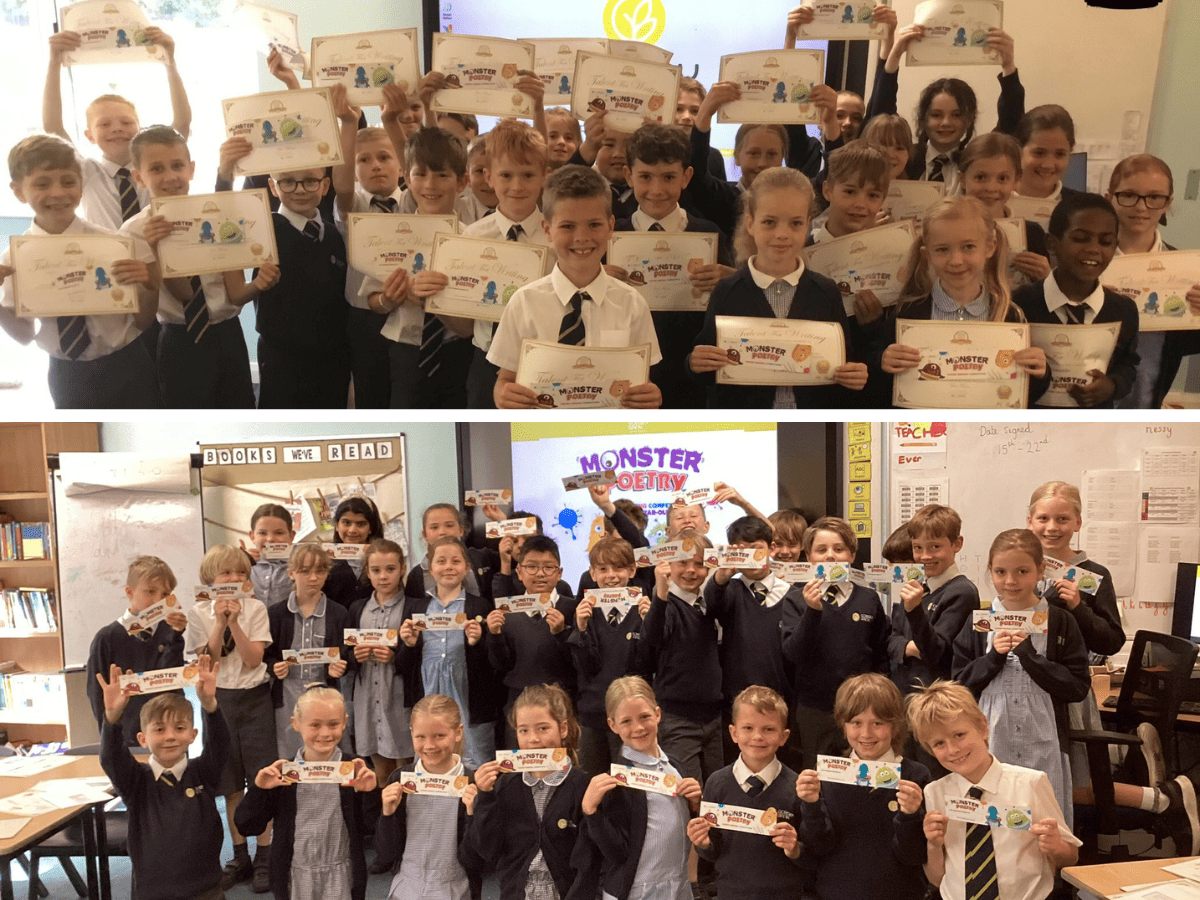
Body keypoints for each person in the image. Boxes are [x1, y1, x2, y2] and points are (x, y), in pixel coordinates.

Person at [0, 134, 159, 408]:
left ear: (82, 185)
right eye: (42, 184)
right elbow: (24, 336)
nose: (58, 193)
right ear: (18, 191)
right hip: (67, 373)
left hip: (127, 362)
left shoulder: (114, 245)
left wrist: (149, 285)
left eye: (68, 182)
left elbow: (143, 322)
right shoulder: (14, 259)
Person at [689, 167, 869, 408]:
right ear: (750, 224)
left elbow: (843, 362)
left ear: (808, 224)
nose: (782, 234)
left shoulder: (826, 292)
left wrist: (854, 375)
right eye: (769, 222)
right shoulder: (727, 291)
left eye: (795, 223)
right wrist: (694, 363)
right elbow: (707, 368)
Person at [488, 164, 663, 409]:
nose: (581, 237)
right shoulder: (523, 302)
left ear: (611, 226)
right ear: (547, 229)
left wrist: (649, 396)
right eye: (568, 226)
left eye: (594, 225)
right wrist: (503, 396)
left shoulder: (632, 304)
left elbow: (643, 381)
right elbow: (505, 380)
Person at [951, 528, 1090, 826]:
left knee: (1043, 820)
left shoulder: (1061, 621)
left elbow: (1077, 687)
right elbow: (959, 684)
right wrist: (992, 658)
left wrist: (1030, 657)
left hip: (1043, 739)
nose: (1011, 581)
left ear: (1040, 571)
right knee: (993, 819)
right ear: (990, 570)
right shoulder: (979, 622)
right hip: (991, 738)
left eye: (1022, 571)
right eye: (1001, 572)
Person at [122, 126, 266, 407]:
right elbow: (182, 295)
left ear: (191, 169)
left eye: (177, 166)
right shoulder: (134, 233)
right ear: (139, 177)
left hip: (227, 332)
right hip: (179, 339)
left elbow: (235, 286)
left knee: (240, 404)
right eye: (157, 169)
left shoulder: (217, 214)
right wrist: (159, 251)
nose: (170, 177)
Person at [421, 119, 550, 409]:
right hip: (485, 362)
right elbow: (465, 328)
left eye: (528, 175)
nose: (517, 185)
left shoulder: (556, 239)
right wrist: (437, 298)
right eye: (506, 175)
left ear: (544, 176)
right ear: (489, 177)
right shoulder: (471, 238)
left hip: (544, 364)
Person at [910, 681, 1080, 900]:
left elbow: (1071, 857)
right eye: (939, 744)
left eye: (959, 735)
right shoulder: (935, 792)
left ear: (983, 727)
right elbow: (936, 879)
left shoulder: (1030, 783)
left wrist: (1055, 846)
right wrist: (934, 845)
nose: (953, 749)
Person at [876, 196, 1049, 405]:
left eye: (968, 247)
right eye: (942, 249)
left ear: (990, 247)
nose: (956, 260)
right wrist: (882, 364)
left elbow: (1021, 395)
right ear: (927, 254)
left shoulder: (1011, 316)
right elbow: (882, 393)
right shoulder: (906, 314)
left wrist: (1039, 372)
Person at [613, 123, 734, 408]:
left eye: (668, 177)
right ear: (629, 176)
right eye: (645, 176)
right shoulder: (612, 236)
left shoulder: (709, 234)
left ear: (686, 176)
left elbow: (731, 309)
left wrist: (729, 280)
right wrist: (596, 278)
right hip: (629, 371)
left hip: (691, 373)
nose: (657, 190)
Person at [361, 125, 473, 408]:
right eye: (420, 174)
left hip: (457, 352)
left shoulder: (472, 241)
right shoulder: (389, 236)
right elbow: (373, 300)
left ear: (462, 182)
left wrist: (434, 303)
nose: (430, 185)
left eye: (442, 175)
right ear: (408, 179)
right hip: (405, 351)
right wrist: (389, 298)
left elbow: (469, 328)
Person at [97, 654, 225, 900]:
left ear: (192, 735)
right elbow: (111, 758)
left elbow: (220, 744)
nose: (170, 736)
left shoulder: (203, 772)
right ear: (143, 739)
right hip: (153, 893)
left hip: (205, 891)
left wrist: (210, 705)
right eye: (159, 729)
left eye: (179, 728)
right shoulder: (136, 782)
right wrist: (112, 717)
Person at [187, 544, 275, 892]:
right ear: (210, 579)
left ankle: (265, 855)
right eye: (226, 573)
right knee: (230, 782)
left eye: (241, 573)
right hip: (219, 700)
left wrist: (235, 622)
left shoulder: (255, 608)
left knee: (261, 777)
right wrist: (218, 622)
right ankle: (240, 856)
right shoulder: (198, 611)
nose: (234, 578)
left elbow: (253, 660)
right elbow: (207, 661)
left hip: (255, 700)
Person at [235, 686, 378, 900]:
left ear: (344, 722)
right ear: (296, 724)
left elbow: (372, 827)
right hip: (295, 877)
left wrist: (371, 793)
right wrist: (259, 791)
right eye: (315, 725)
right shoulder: (282, 773)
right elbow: (247, 825)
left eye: (333, 724)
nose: (325, 733)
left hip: (341, 876)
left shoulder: (355, 771)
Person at [795, 675, 929, 900]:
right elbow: (818, 847)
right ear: (843, 725)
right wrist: (810, 805)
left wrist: (911, 816)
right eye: (856, 723)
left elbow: (914, 856)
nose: (866, 734)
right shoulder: (827, 776)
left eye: (878, 723)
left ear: (895, 725)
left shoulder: (914, 777)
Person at [43, 26, 190, 230]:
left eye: (126, 122)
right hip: (104, 250)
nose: (117, 129)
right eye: (104, 124)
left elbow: (182, 123)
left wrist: (169, 62)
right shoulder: (86, 172)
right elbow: (53, 129)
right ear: (90, 136)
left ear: (139, 129)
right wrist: (54, 62)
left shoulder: (154, 168)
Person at [461, 684, 591, 900]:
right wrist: (484, 798)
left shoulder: (581, 786)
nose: (533, 739)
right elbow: (485, 851)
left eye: (543, 728)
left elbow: (590, 860)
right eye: (524, 730)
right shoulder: (505, 786)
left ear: (563, 729)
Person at [578, 676, 703, 900]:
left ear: (658, 714)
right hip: (637, 891)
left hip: (679, 886)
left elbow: (689, 832)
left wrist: (695, 806)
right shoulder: (615, 782)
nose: (638, 727)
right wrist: (590, 812)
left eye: (645, 716)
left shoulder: (676, 767)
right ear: (612, 725)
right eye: (626, 721)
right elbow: (616, 853)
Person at [780, 517, 891, 768]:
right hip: (814, 710)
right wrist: (812, 610)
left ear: (852, 555)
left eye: (839, 549)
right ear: (809, 557)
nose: (830, 555)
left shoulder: (869, 599)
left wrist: (877, 702)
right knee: (816, 774)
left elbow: (880, 655)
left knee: (863, 771)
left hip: (862, 710)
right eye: (821, 550)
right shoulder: (796, 598)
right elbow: (793, 654)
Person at [1013, 192, 1140, 408]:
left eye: (1106, 242)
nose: (1094, 249)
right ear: (1052, 244)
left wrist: (1112, 386)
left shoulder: (1123, 309)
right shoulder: (1020, 303)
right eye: (1081, 239)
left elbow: (1128, 364)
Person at [243, 160, 349, 408]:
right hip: (283, 360)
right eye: (288, 182)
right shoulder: (264, 232)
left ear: (325, 185)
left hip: (331, 360)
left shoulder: (334, 236)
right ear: (273, 186)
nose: (300, 189)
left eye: (310, 181)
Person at [871, 25, 1024, 193]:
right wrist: (895, 55)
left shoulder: (977, 160)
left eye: (956, 115)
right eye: (936, 115)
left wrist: (1008, 66)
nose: (946, 122)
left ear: (969, 119)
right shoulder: (905, 157)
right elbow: (881, 114)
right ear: (923, 118)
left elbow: (1011, 124)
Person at [687, 685, 804, 899]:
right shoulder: (716, 784)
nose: (757, 736)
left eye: (768, 729)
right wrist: (703, 843)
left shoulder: (797, 787)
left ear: (784, 736)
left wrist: (795, 848)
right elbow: (712, 851)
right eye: (748, 728)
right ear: (734, 733)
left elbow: (813, 853)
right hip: (731, 893)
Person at [332, 89, 409, 408]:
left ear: (400, 166)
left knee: (407, 391)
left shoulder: (413, 202)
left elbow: (415, 169)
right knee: (370, 392)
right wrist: (348, 123)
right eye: (363, 160)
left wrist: (392, 121)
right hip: (364, 317)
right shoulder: (354, 206)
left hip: (408, 310)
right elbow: (342, 186)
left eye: (384, 157)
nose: (375, 165)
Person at [1105, 155, 1200, 409]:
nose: (1141, 207)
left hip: (1146, 403)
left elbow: (1183, 343)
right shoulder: (1085, 262)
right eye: (1129, 195)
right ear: (1109, 198)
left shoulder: (1185, 269)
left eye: (1154, 197)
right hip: (1087, 407)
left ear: (1168, 203)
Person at [398, 536, 498, 770]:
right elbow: (403, 666)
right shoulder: (416, 608)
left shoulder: (480, 606)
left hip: (468, 696)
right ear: (431, 568)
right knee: (432, 759)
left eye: (456, 561)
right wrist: (409, 644)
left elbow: (492, 663)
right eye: (441, 561)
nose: (448, 567)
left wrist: (476, 642)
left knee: (476, 763)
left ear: (467, 567)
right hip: (428, 692)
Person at [704, 517, 795, 761]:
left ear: (771, 549)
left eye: (756, 549)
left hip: (782, 700)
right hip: (737, 701)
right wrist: (723, 574)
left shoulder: (792, 594)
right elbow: (713, 603)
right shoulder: (730, 590)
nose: (751, 557)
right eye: (743, 551)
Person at [376, 694, 482, 900]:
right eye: (421, 736)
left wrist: (473, 815)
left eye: (439, 736)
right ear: (411, 733)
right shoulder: (399, 779)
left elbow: (478, 859)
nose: (430, 745)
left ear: (458, 732)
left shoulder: (472, 783)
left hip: (455, 889)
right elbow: (386, 853)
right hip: (407, 888)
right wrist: (387, 814)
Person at [640, 529, 722, 785]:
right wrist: (661, 595)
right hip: (678, 719)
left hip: (713, 717)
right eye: (683, 562)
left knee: (714, 787)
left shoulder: (709, 604)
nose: (691, 570)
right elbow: (652, 640)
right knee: (687, 791)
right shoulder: (667, 605)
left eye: (699, 564)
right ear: (668, 564)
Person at [569, 536, 650, 775]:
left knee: (632, 782)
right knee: (594, 779)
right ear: (592, 574)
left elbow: (647, 663)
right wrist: (581, 628)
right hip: (593, 713)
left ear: (632, 570)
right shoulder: (585, 611)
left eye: (618, 568)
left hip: (633, 716)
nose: (611, 575)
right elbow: (585, 667)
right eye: (603, 569)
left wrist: (649, 625)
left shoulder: (643, 609)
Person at [86, 555, 187, 744]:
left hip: (166, 737)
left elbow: (171, 684)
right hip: (125, 739)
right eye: (150, 591)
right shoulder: (107, 638)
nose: (157, 600)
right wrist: (111, 738)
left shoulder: (169, 632)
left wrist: (175, 636)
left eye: (165, 594)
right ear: (130, 592)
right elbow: (98, 696)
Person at [264, 543, 349, 759]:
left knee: (326, 751)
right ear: (291, 573)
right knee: (289, 754)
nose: (313, 578)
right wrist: (274, 667)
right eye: (305, 571)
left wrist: (339, 667)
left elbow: (346, 653)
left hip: (325, 694)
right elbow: (266, 654)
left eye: (320, 571)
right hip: (287, 696)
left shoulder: (339, 613)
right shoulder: (276, 613)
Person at [488, 535, 578, 730]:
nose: (540, 574)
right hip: (519, 704)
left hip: (562, 703)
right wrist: (494, 635)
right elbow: (502, 665)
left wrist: (562, 633)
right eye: (532, 567)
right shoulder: (508, 611)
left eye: (548, 567)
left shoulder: (573, 609)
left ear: (559, 573)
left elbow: (579, 664)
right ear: (519, 572)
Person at [890, 504, 979, 698]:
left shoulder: (962, 592)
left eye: (935, 547)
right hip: (905, 694)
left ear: (957, 544)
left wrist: (914, 611)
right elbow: (892, 640)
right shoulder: (918, 587)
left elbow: (936, 653)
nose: (925, 556)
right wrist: (908, 647)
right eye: (918, 548)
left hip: (936, 700)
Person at [346, 538, 412, 791]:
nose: (383, 576)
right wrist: (355, 656)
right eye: (376, 570)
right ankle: (385, 812)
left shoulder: (413, 606)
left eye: (390, 569)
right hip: (367, 697)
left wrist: (396, 657)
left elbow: (418, 653)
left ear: (402, 569)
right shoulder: (357, 608)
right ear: (367, 572)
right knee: (380, 771)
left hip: (399, 695)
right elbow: (345, 653)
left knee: (406, 768)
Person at [956, 132, 1052, 289]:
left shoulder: (1032, 233)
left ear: (1015, 181)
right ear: (962, 179)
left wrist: (1047, 277)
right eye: (980, 177)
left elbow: (1043, 297)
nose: (991, 188)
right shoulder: (944, 229)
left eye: (1002, 179)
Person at [1013, 105, 1083, 205]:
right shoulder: (994, 204)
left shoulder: (1082, 208)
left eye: (1060, 154)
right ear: (1018, 150)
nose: (1048, 165)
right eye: (1039, 153)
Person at [325, 496, 383, 608]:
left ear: (370, 528)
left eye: (361, 524)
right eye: (346, 523)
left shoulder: (384, 559)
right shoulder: (325, 563)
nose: (352, 530)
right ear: (337, 526)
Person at [245, 503, 295, 609]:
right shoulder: (243, 564)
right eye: (262, 533)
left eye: (279, 533)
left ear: (291, 536)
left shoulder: (299, 564)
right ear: (252, 536)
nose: (270, 539)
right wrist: (239, 563)